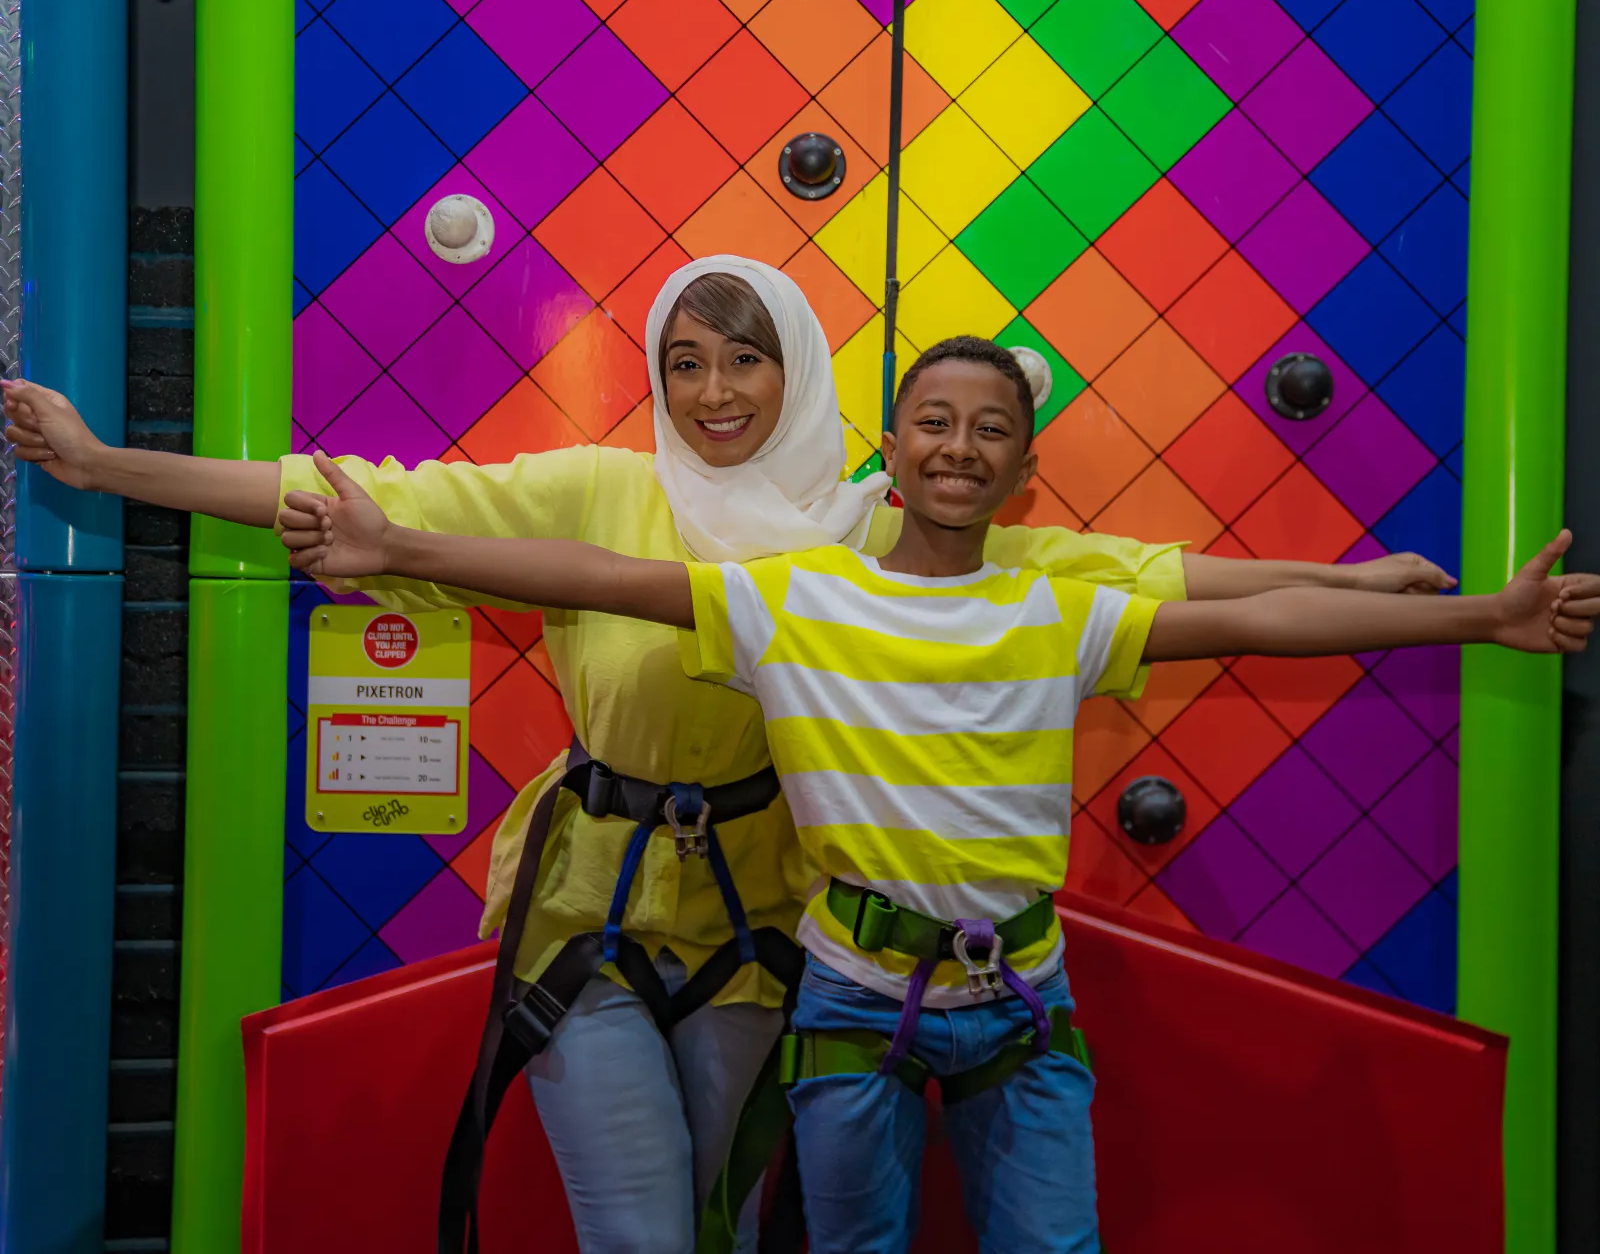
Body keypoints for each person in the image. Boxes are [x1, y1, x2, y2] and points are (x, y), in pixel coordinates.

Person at [3, 260, 1459, 1252]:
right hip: (591, 905)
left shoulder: (866, 528)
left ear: (799, 369)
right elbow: (343, 495)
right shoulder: (595, 488)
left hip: (781, 922)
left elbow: (1140, 575)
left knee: (727, 1217)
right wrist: (104, 464)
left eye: (744, 358)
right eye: (684, 361)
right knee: (639, 1231)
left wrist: (1375, 586)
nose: (713, 390)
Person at [273, 333, 1594, 1253]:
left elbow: (1259, 623)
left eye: (993, 434)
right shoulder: (803, 598)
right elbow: (590, 580)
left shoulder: (1051, 609)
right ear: (889, 452)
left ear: (1024, 471)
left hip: (1023, 998)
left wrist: (1484, 617)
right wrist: (396, 544)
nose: (962, 450)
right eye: (936, 425)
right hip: (851, 992)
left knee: (1052, 1241)